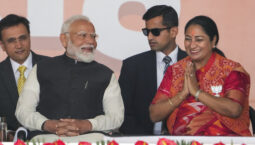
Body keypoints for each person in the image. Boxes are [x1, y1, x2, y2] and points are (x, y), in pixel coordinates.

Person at [15, 15, 124, 139]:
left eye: (93, 36)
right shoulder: (41, 69)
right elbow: (23, 111)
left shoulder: (105, 74)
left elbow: (116, 117)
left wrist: (88, 125)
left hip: (91, 138)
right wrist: (47, 124)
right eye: (83, 35)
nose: (90, 41)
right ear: (64, 40)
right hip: (47, 138)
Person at [149, 15, 251, 136]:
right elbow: (154, 115)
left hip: (224, 141)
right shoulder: (175, 70)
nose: (192, 45)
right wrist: (182, 94)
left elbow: (234, 110)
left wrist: (197, 92)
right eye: (188, 39)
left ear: (213, 41)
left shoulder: (231, 70)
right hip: (182, 142)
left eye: (199, 39)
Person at [119, 5, 187, 135]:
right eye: (146, 31)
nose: (149, 37)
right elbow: (123, 113)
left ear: (173, 31)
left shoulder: (192, 64)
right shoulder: (132, 66)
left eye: (155, 32)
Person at [0, 14, 48, 132]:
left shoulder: (51, 66)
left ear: (29, 37)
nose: (19, 45)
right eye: (11, 41)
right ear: (2, 46)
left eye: (23, 38)